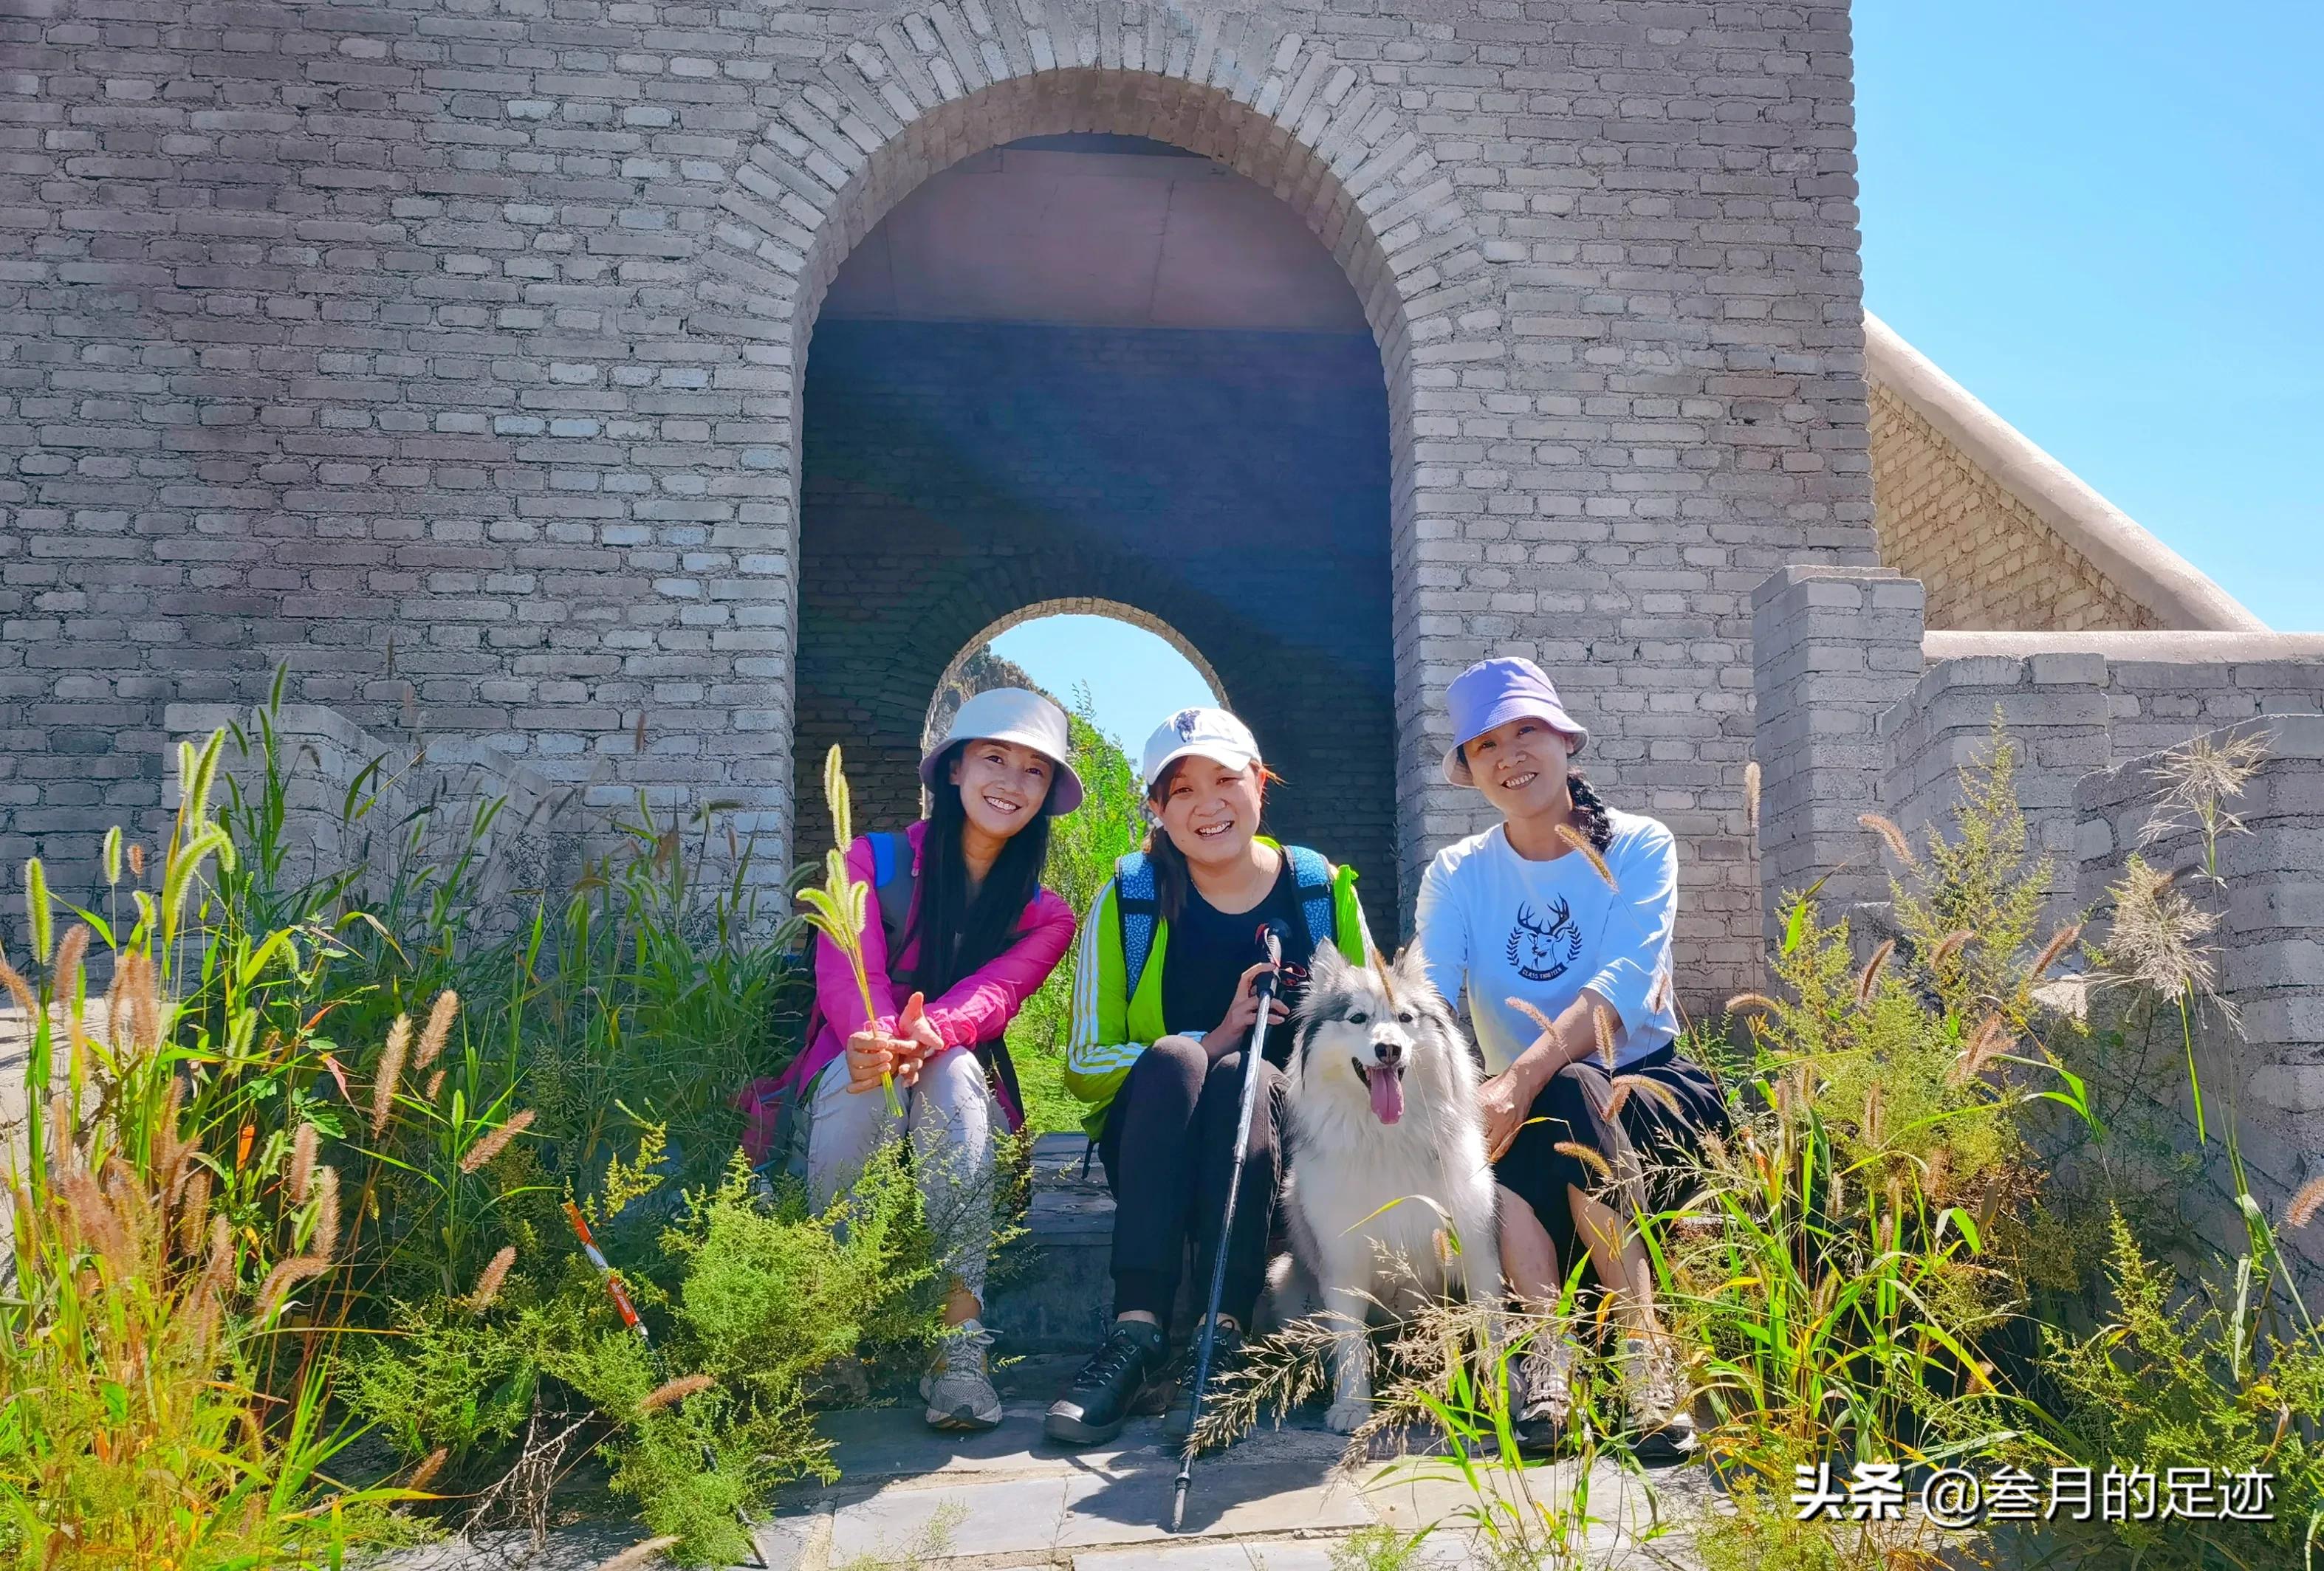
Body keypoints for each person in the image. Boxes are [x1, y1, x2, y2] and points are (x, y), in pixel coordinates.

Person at [1413, 656, 1730, 1462]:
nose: (1510, 754)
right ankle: (1557, 1361)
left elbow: (1624, 984)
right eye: (1486, 744)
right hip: (1527, 1102)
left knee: (1570, 1083)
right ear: (1470, 769)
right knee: (1522, 1106)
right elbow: (1429, 985)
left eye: (1526, 730)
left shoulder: (1639, 845)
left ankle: (1633, 1350)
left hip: (1651, 1086)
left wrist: (1517, 1078)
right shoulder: (1456, 872)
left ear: (1565, 740)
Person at [1043, 707, 1373, 1447]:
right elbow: (1085, 1062)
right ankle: (1137, 1331)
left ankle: (1222, 1332)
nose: (1207, 804)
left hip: (1284, 1143)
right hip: (1161, 1138)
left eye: (1226, 779)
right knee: (1180, 1059)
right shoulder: (1130, 895)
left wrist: (1257, 1054)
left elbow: (1377, 1031)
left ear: (1260, 784)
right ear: (1156, 809)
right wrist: (1213, 1034)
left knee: (1247, 1079)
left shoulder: (1318, 891)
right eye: (1181, 790)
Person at [791, 687, 1080, 1433]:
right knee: (866, 1083)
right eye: (994, 759)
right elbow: (848, 972)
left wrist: (933, 1033)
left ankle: (959, 1344)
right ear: (953, 769)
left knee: (951, 1070)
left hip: (957, 1084)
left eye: (1034, 772)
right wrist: (882, 1038)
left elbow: (998, 993)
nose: (1011, 783)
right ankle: (832, 1327)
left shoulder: (1046, 914)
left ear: (1048, 795)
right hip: (852, 1064)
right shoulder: (868, 860)